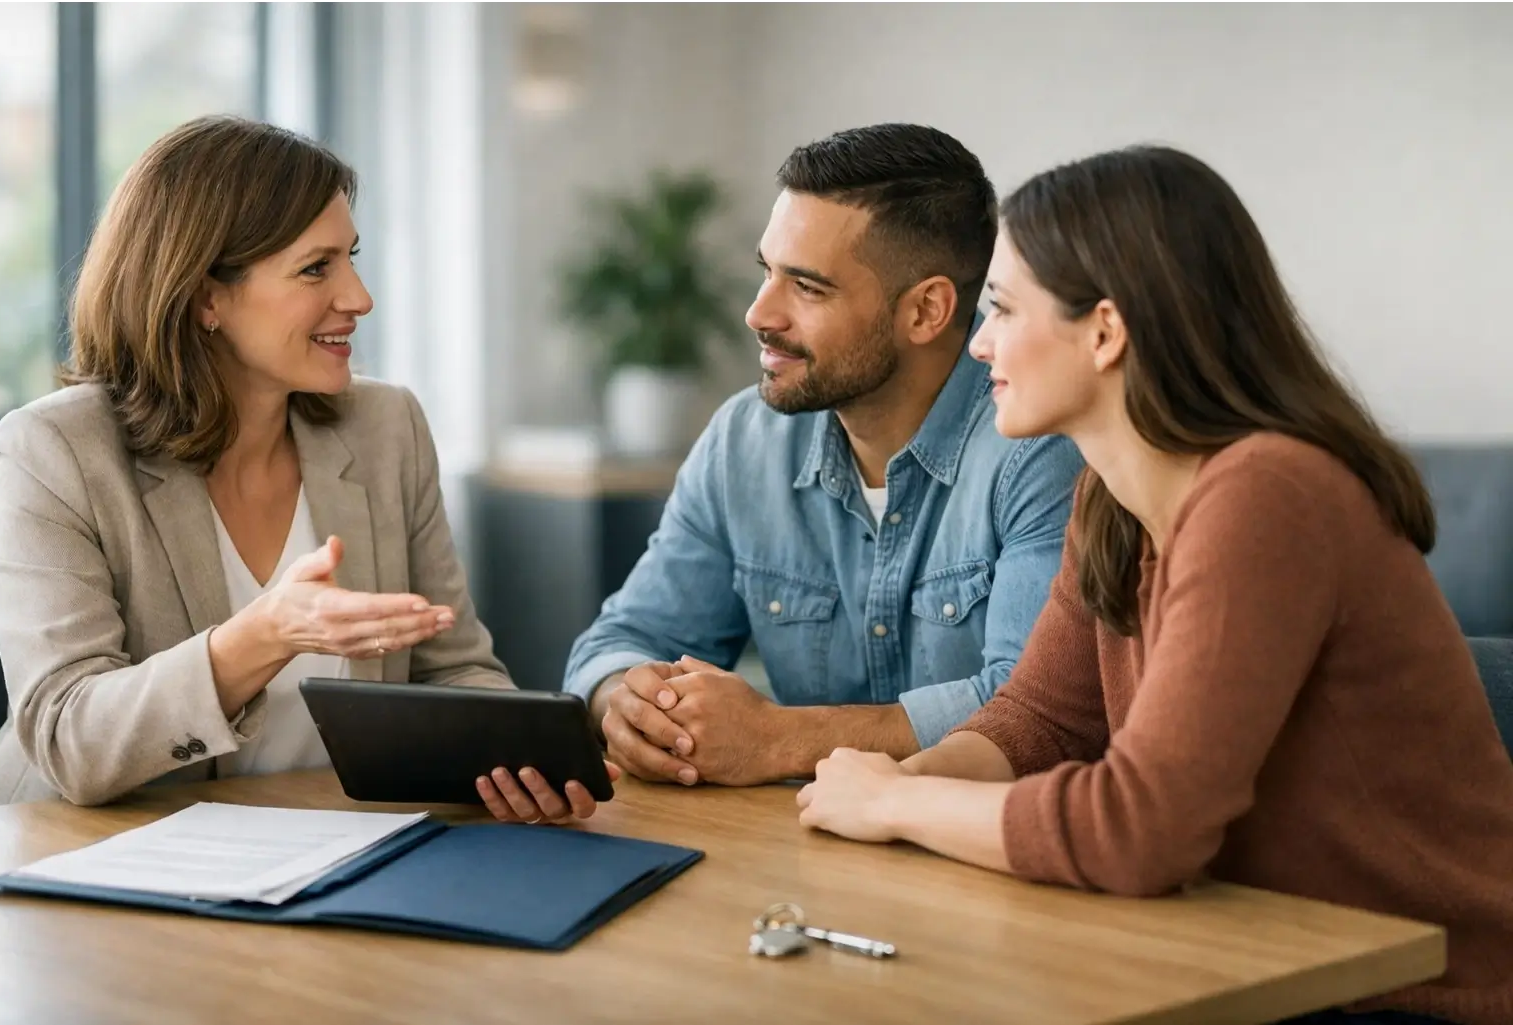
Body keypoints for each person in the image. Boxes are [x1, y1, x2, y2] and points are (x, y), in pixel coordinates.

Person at [796, 145, 1513, 1024]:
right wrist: (884, 788)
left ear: (1105, 330)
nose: (978, 342)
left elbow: (1140, 830)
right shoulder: (1112, 494)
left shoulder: (1268, 495)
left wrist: (902, 801)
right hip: (1252, 958)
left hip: (1410, 991)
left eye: (1004, 310)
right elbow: (1040, 722)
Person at [0, 116, 611, 821]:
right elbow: (70, 738)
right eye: (317, 268)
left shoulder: (386, 426)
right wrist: (266, 633)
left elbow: (453, 666)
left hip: (316, 847)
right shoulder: (53, 449)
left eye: (352, 258)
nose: (358, 297)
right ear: (205, 298)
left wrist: (524, 757)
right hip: (69, 855)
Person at [557, 124, 1083, 789]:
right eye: (766, 272)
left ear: (926, 310)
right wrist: (626, 703)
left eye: (807, 288)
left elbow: (1029, 713)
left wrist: (783, 738)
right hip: (805, 854)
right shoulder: (743, 440)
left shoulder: (1041, 445)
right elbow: (617, 643)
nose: (757, 313)